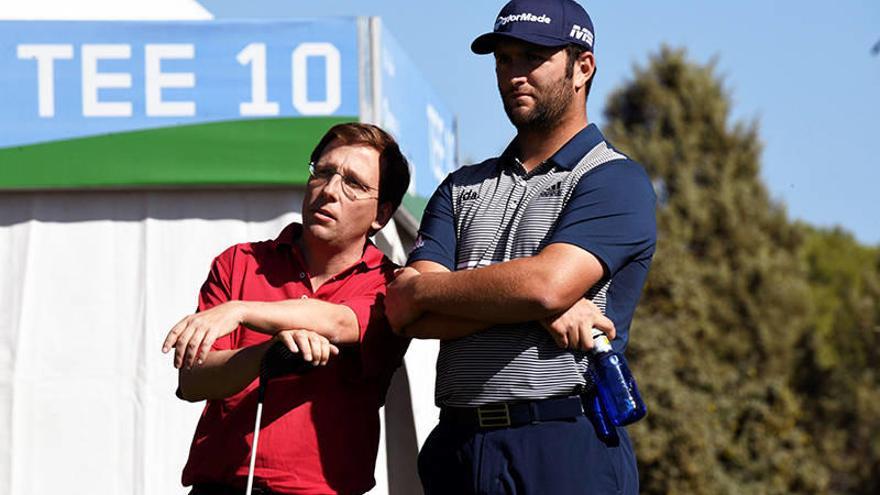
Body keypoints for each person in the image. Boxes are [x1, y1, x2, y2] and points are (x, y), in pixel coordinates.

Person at [384, 1, 657, 493]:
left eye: (533, 56)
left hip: (563, 439)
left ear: (583, 67)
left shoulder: (615, 179)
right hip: (457, 443)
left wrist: (440, 291)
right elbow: (409, 312)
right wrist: (534, 307)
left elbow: (547, 285)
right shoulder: (459, 186)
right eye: (504, 59)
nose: (514, 74)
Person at [161, 122, 411, 495]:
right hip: (221, 485)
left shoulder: (392, 285)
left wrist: (241, 310)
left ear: (382, 215)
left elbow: (340, 321)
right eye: (323, 172)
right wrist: (269, 354)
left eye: (353, 184)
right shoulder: (240, 262)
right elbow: (194, 381)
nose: (329, 191)